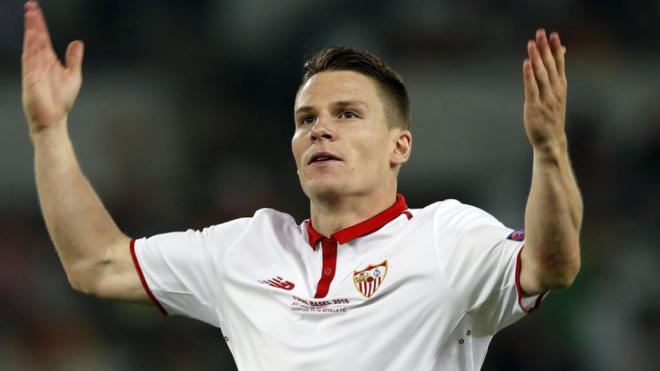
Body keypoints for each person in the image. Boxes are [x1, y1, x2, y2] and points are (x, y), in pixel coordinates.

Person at [21, 0, 582, 370]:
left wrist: (550, 152)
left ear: (399, 147)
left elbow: (552, 267)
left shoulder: (447, 236)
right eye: (306, 119)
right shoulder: (247, 248)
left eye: (347, 114)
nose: (321, 130)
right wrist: (48, 131)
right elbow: (96, 264)